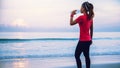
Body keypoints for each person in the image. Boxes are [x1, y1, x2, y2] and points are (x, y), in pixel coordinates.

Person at [70, 1, 94, 68]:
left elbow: (71, 23)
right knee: (87, 56)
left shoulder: (81, 17)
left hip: (82, 41)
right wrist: (91, 39)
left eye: (81, 7)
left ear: (83, 8)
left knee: (76, 55)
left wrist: (71, 15)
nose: (80, 9)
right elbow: (91, 29)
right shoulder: (90, 18)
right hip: (88, 40)